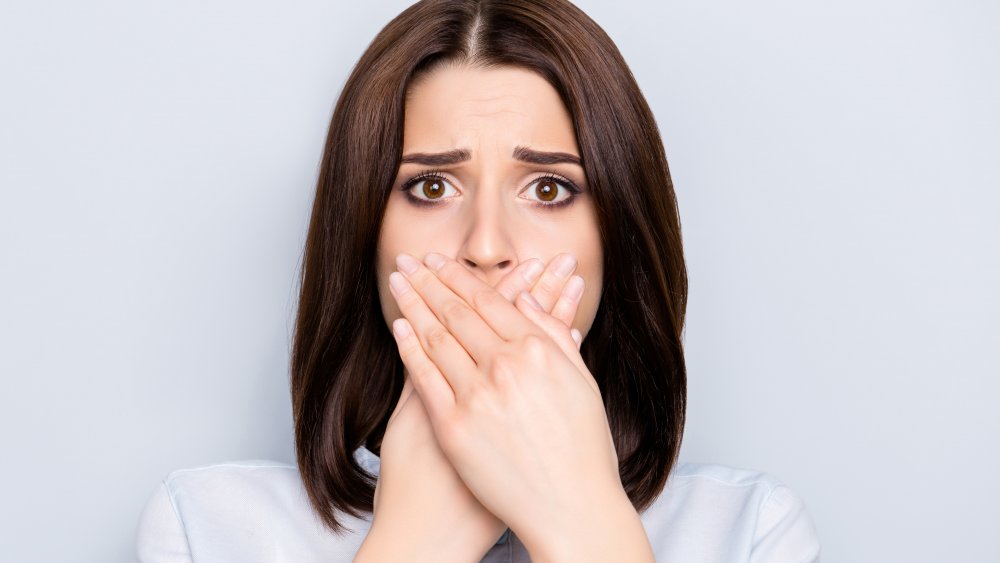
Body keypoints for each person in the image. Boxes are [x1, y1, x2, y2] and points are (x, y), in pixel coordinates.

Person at [136, 0, 821, 561]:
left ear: (618, 235)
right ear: (364, 234)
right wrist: (414, 545)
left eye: (550, 188)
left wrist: (582, 522)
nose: (486, 246)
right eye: (431, 186)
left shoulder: (749, 532)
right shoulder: (207, 528)